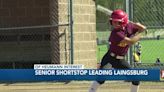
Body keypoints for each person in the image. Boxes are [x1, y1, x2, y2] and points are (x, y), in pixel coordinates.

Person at [89, 9, 147, 92]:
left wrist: (140, 27)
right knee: (101, 77)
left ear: (124, 21)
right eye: (113, 21)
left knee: (135, 78)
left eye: (118, 22)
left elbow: (139, 29)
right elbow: (131, 42)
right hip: (109, 58)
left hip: (120, 60)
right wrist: (141, 33)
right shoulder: (115, 33)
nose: (115, 24)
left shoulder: (130, 26)